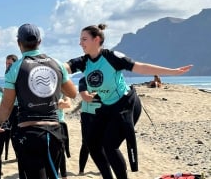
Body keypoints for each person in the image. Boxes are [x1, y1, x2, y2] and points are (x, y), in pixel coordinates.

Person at [64, 24, 193, 179]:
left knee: (110, 146)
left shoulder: (111, 57)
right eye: (80, 39)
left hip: (126, 104)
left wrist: (172, 72)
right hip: (107, 106)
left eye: (84, 39)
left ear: (96, 39)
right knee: (92, 143)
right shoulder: (84, 61)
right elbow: (64, 67)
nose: (80, 43)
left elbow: (141, 67)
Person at [0, 23, 77, 179]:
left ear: (19, 43)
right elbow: (72, 93)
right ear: (40, 41)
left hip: (28, 134)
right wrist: (55, 81)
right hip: (53, 131)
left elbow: (7, 106)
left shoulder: (15, 68)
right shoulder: (56, 64)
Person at [78, 77, 111, 177]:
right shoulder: (83, 80)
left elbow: (109, 96)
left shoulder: (106, 79)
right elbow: (86, 97)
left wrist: (94, 95)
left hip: (101, 114)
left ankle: (104, 169)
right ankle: (81, 171)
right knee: (85, 144)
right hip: (86, 115)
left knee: (103, 144)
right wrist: (98, 94)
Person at [4, 54, 27, 179]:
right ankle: (18, 157)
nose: (7, 65)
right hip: (11, 109)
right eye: (6, 63)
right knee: (12, 135)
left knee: (19, 135)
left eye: (9, 63)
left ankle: (21, 157)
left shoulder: (18, 75)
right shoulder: (8, 76)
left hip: (19, 109)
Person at [57, 96, 71, 179]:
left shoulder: (62, 88)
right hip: (45, 122)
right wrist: (59, 102)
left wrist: (52, 104)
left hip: (60, 123)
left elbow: (68, 104)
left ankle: (64, 176)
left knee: (61, 151)